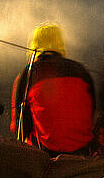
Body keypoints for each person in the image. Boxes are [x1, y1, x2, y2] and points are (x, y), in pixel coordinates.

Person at [10, 24, 95, 156]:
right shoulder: (81, 71)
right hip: (83, 152)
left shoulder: (28, 75)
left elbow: (18, 128)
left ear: (33, 44)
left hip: (47, 155)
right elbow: (92, 112)